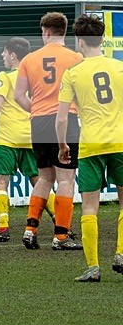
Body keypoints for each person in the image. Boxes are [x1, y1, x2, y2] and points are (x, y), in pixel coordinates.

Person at [0, 38, 59, 241]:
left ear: (13, 55)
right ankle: (61, 225)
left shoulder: (6, 76)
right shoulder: (35, 75)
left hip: (7, 138)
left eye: (4, 52)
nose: (2, 56)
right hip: (32, 136)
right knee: (41, 181)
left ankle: (3, 228)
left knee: (0, 182)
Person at [56, 14, 123, 281]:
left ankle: (93, 267)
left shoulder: (73, 73)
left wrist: (62, 144)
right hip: (120, 141)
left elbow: (62, 117)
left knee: (89, 206)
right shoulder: (119, 68)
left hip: (91, 144)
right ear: (103, 38)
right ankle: (120, 253)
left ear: (79, 41)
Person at [14, 12, 83, 250]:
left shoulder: (29, 60)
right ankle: (61, 236)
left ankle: (30, 230)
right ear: (63, 32)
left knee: (44, 177)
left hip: (39, 120)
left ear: (46, 32)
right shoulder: (76, 58)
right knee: (66, 178)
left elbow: (18, 96)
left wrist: (36, 110)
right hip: (66, 119)